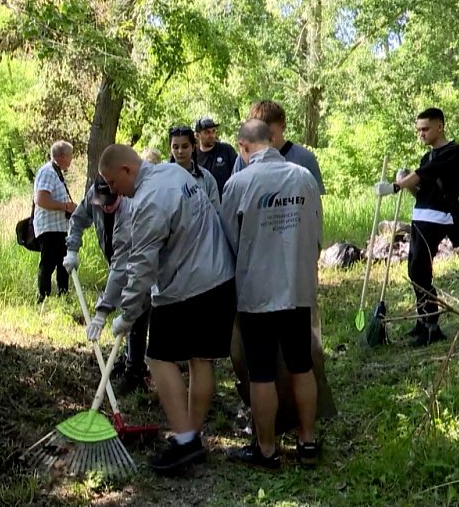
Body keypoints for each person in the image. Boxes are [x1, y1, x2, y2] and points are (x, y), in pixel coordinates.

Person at [92, 144, 236, 474]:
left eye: (114, 183)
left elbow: (140, 265)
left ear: (127, 171)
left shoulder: (148, 202)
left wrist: (127, 315)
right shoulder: (174, 172)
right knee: (202, 360)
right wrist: (107, 305)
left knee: (157, 358)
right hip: (219, 276)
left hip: (187, 286)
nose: (114, 191)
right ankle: (192, 441)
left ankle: (185, 440)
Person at [220, 119, 321, 469]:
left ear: (244, 147)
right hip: (297, 287)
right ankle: (307, 442)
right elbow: (316, 234)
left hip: (256, 291)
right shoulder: (303, 177)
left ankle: (266, 449)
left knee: (261, 372)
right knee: (301, 365)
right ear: (272, 141)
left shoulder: (238, 182)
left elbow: (229, 239)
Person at [374, 108, 459, 346]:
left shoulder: (454, 152)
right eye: (418, 130)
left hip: (438, 217)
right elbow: (422, 191)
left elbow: (428, 173)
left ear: (440, 127)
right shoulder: (427, 156)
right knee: (415, 271)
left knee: (420, 270)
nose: (421, 134)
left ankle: (431, 327)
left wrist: (396, 185)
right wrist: (406, 183)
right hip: (422, 215)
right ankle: (422, 322)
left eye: (425, 129)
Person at [65, 176, 151, 395]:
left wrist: (102, 311)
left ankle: (135, 372)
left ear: (119, 193)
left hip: (139, 264)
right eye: (102, 203)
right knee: (129, 311)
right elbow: (77, 219)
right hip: (117, 260)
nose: (105, 207)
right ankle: (128, 358)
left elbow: (120, 267)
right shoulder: (94, 198)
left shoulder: (129, 212)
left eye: (110, 202)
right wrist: (72, 249)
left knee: (136, 311)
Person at [33, 140, 76, 304]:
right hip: (49, 228)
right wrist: (65, 206)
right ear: (63, 156)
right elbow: (41, 199)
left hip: (59, 228)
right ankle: (42, 298)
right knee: (48, 264)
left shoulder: (56, 173)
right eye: (70, 155)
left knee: (63, 265)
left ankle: (63, 297)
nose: (71, 159)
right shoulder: (48, 172)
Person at [169, 125, 221, 210]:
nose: (180, 151)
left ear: (193, 147)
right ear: (170, 149)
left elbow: (215, 211)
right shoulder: (164, 178)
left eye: (185, 146)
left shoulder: (206, 178)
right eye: (175, 147)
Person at [194, 117, 238, 196]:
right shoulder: (193, 156)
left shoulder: (226, 150)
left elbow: (238, 174)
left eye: (213, 131)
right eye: (207, 132)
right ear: (197, 136)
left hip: (226, 201)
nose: (211, 135)